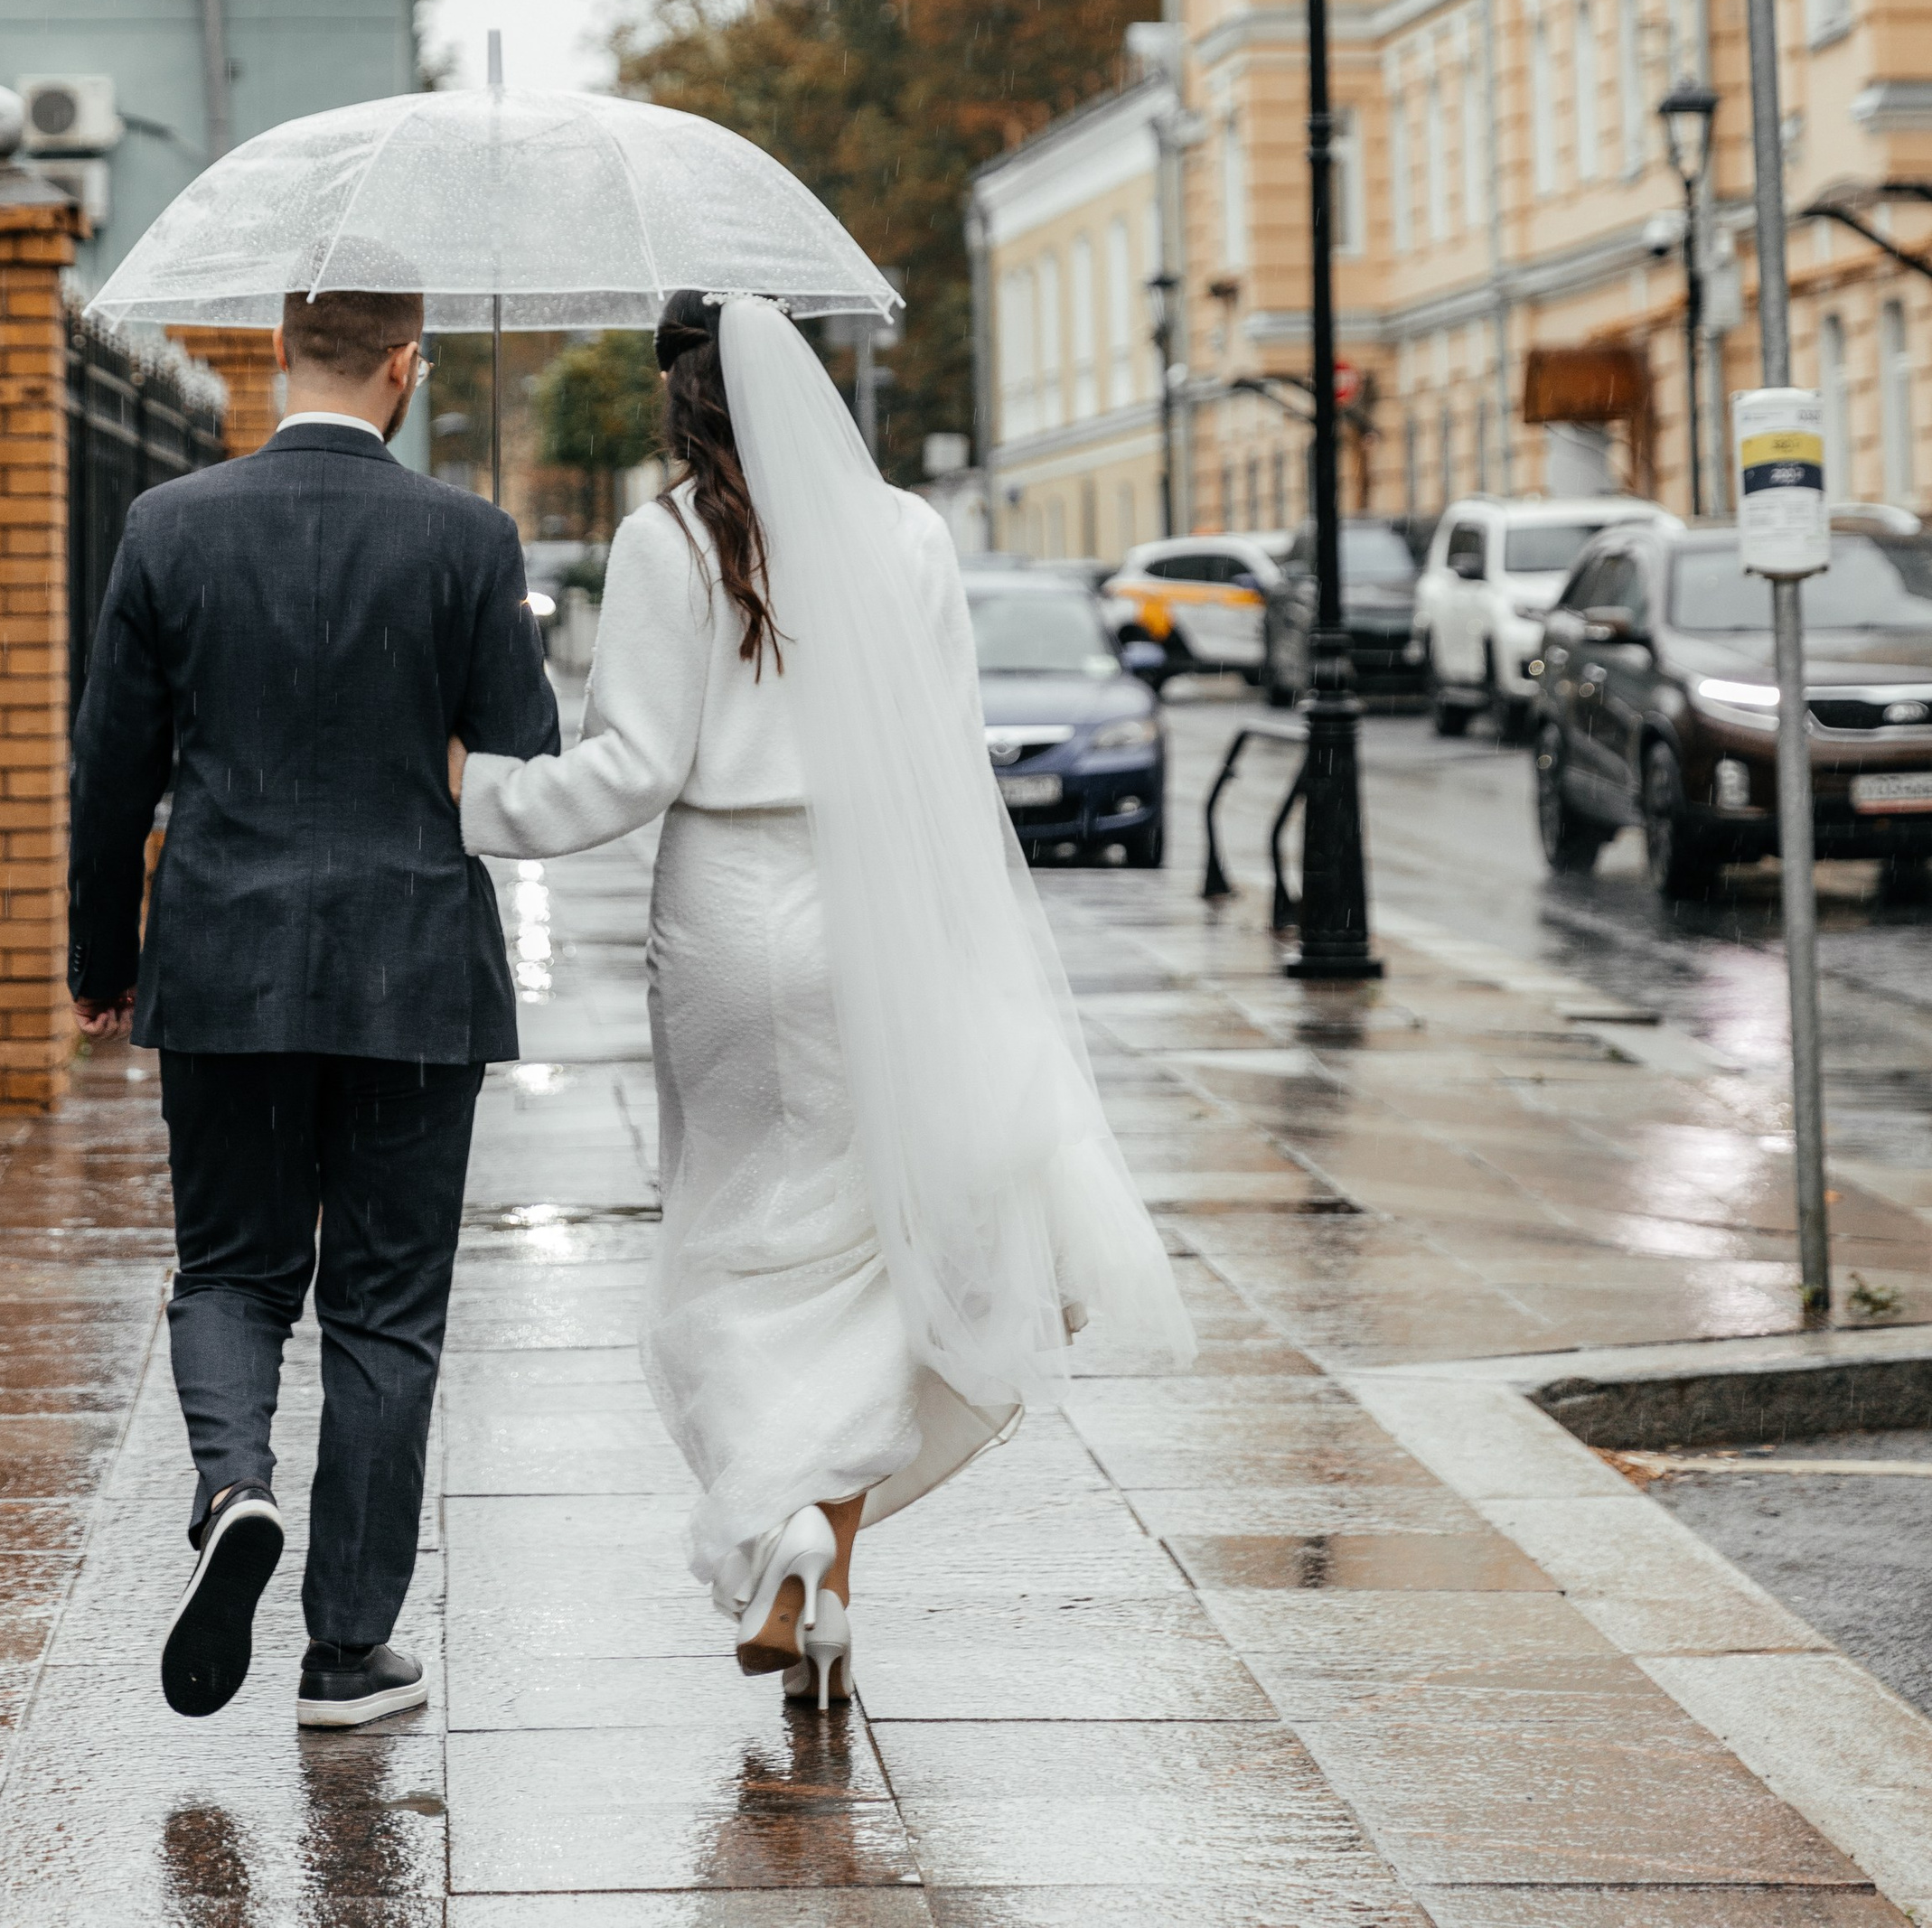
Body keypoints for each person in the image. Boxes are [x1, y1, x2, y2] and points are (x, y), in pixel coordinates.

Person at [456, 289, 1190, 1707]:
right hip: (879, 909)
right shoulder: (911, 537)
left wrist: (471, 795)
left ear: (681, 406)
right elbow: (943, 755)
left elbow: (628, 773)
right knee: (865, 1250)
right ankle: (820, 1574)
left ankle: (788, 1539)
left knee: (741, 1236)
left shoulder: (663, 543)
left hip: (729, 918)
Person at [68, 287, 557, 1730]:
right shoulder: (469, 539)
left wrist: (105, 960)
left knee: (229, 1270)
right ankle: (347, 1654)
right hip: (415, 973)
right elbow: (521, 756)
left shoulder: (170, 525)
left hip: (223, 967)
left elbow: (110, 775)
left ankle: (234, 1487)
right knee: (386, 1316)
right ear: (404, 367)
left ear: (279, 355)